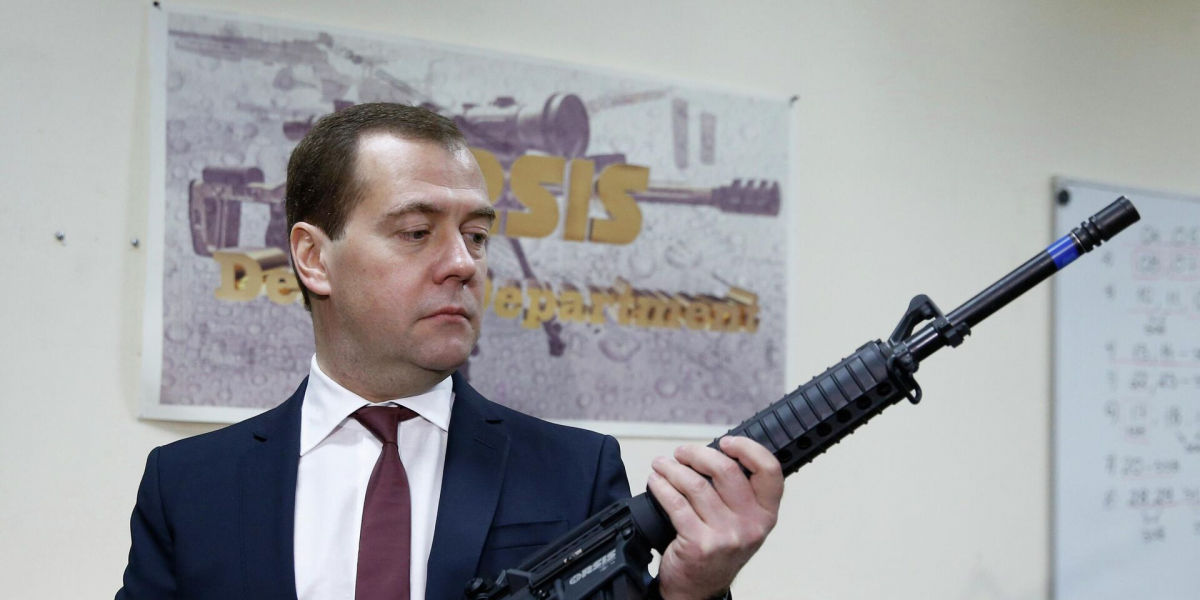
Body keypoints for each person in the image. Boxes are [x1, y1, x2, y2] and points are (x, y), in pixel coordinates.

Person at [117, 103, 783, 600]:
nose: (463, 263)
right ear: (314, 258)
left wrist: (691, 592)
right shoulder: (190, 488)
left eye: (476, 236)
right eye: (416, 232)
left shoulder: (574, 473)